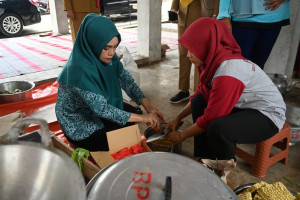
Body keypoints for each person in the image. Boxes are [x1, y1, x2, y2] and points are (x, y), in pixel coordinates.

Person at [166, 18, 286, 165]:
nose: (188, 55)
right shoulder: (211, 60)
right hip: (244, 106)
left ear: (206, 45)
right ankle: (205, 157)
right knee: (199, 101)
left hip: (267, 115)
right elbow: (200, 93)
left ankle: (221, 171)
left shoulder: (228, 72)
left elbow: (211, 118)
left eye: (193, 49)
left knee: (219, 129)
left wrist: (181, 136)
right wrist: (177, 118)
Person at [55, 14, 164, 151]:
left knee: (132, 115)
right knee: (122, 136)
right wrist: (143, 118)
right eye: (106, 47)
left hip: (94, 109)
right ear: (92, 42)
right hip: (78, 121)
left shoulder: (109, 59)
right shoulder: (79, 69)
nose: (111, 53)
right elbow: (103, 109)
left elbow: (127, 82)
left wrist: (149, 107)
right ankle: (76, 142)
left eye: (115, 47)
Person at [169, 0, 219, 103]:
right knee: (183, 54)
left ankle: (199, 91)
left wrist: (215, 14)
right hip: (183, 16)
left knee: (199, 56)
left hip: (200, 15)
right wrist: (174, 8)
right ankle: (184, 89)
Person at [217, 0, 290, 70]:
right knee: (235, 67)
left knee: (256, 69)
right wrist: (223, 14)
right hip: (241, 15)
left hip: (273, 15)